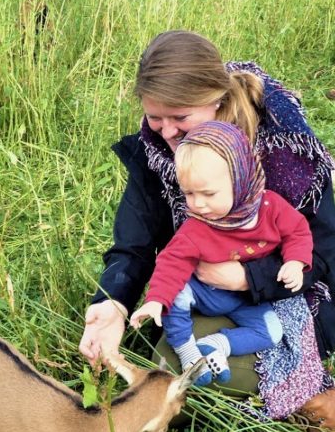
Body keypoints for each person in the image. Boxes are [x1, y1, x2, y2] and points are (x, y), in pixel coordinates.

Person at [78, 30, 335, 432]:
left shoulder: (283, 154)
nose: (166, 132)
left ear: (216, 99)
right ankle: (206, 389)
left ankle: (324, 402)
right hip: (206, 285)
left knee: (179, 369)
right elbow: (134, 242)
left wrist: (248, 277)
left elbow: (323, 254)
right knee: (168, 364)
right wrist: (114, 303)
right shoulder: (156, 148)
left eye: (179, 117)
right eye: (155, 117)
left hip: (289, 293)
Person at [129, 121, 313, 389]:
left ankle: (218, 344)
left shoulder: (270, 207)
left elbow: (298, 232)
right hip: (205, 293)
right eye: (189, 193)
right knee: (177, 294)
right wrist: (156, 300)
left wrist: (295, 262)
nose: (198, 204)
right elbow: (171, 262)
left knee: (273, 331)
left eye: (208, 193)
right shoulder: (196, 227)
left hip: (246, 298)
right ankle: (187, 349)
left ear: (241, 181)